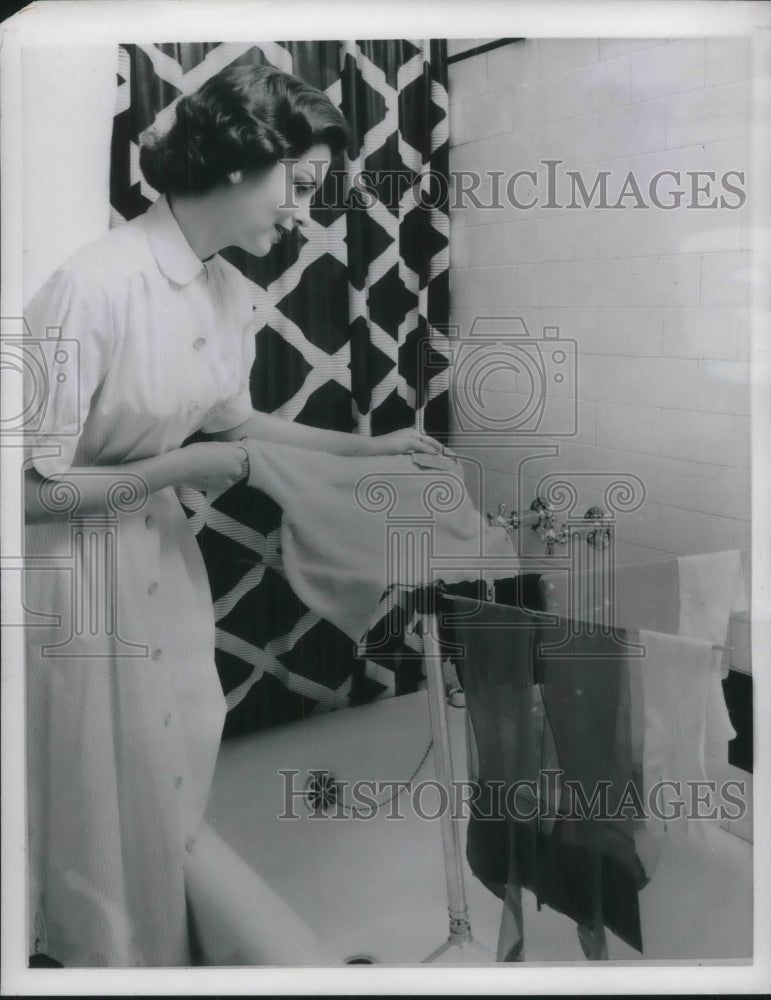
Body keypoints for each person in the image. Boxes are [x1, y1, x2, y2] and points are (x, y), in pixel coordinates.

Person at [23, 63, 442, 968]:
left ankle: (161, 956)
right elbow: (23, 490)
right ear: (237, 162)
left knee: (171, 770)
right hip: (76, 578)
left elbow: (241, 426)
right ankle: (97, 962)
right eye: (296, 187)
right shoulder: (90, 287)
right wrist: (182, 467)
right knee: (101, 795)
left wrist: (373, 448)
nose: (302, 213)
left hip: (161, 564)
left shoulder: (222, 293)